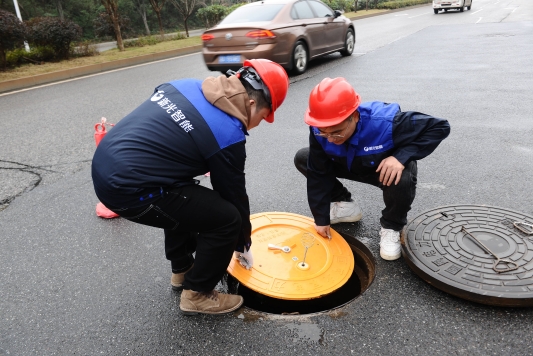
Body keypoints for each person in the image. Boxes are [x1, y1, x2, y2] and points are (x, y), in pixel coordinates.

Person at [92, 59, 289, 315]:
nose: (260, 123)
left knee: (187, 198)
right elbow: (233, 195)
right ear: (252, 103)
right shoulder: (227, 133)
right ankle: (197, 293)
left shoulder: (183, 85)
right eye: (264, 116)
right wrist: (243, 242)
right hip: (130, 191)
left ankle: (182, 270)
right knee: (227, 220)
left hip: (105, 167)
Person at [294, 77, 450, 261]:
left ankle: (391, 227)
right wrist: (321, 218)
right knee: (305, 158)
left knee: (404, 176)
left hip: (382, 170)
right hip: (348, 163)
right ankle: (344, 204)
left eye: (336, 131)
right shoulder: (319, 128)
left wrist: (401, 157)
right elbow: (318, 173)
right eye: (323, 132)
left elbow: (439, 126)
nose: (329, 138)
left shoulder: (386, 123)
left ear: (355, 116)